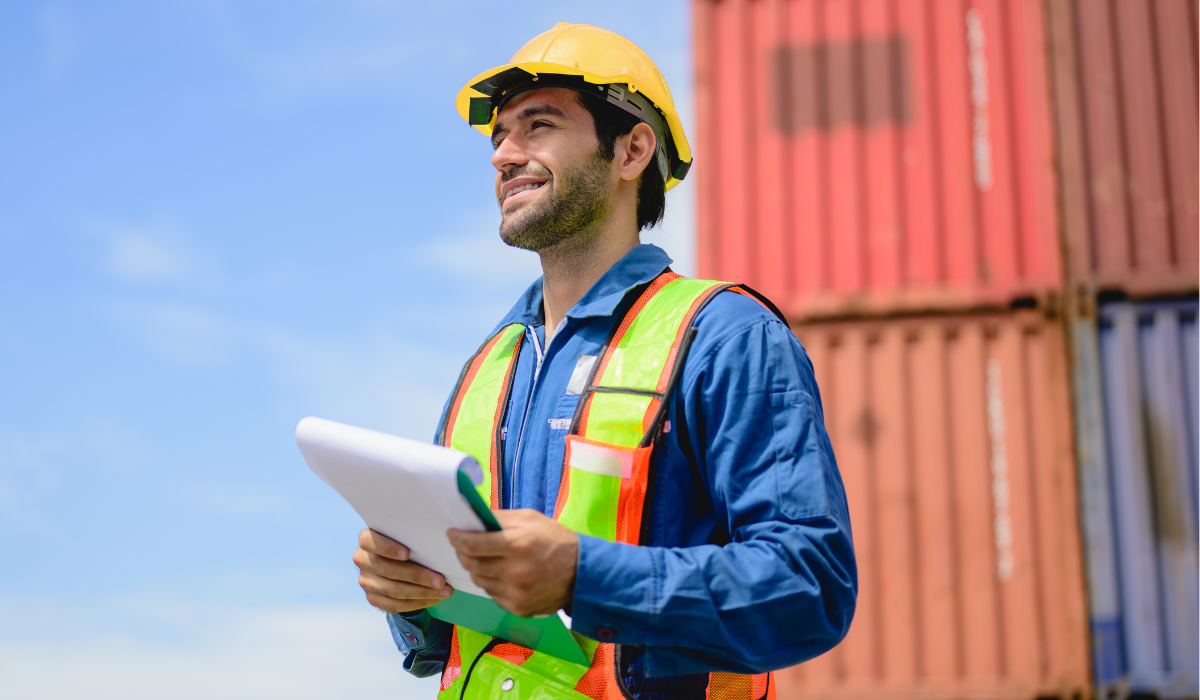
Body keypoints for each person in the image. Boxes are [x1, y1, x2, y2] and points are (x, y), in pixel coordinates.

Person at [351, 23, 856, 700]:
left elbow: (810, 589)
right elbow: (465, 632)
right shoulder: (486, 371)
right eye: (499, 134)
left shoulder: (724, 336)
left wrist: (584, 577)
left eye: (538, 125)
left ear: (631, 149)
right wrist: (410, 598)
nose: (504, 153)